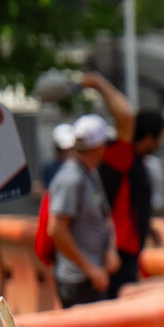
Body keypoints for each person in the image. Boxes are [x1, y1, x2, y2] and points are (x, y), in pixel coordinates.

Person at [78, 71, 164, 292]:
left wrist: (148, 228)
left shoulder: (136, 162)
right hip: (115, 254)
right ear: (149, 138)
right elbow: (125, 115)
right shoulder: (121, 157)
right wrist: (99, 83)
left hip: (122, 252)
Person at [47, 116, 119, 307]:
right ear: (97, 147)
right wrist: (90, 268)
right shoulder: (70, 178)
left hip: (94, 276)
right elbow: (56, 229)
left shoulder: (90, 173)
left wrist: (111, 250)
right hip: (78, 281)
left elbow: (105, 216)